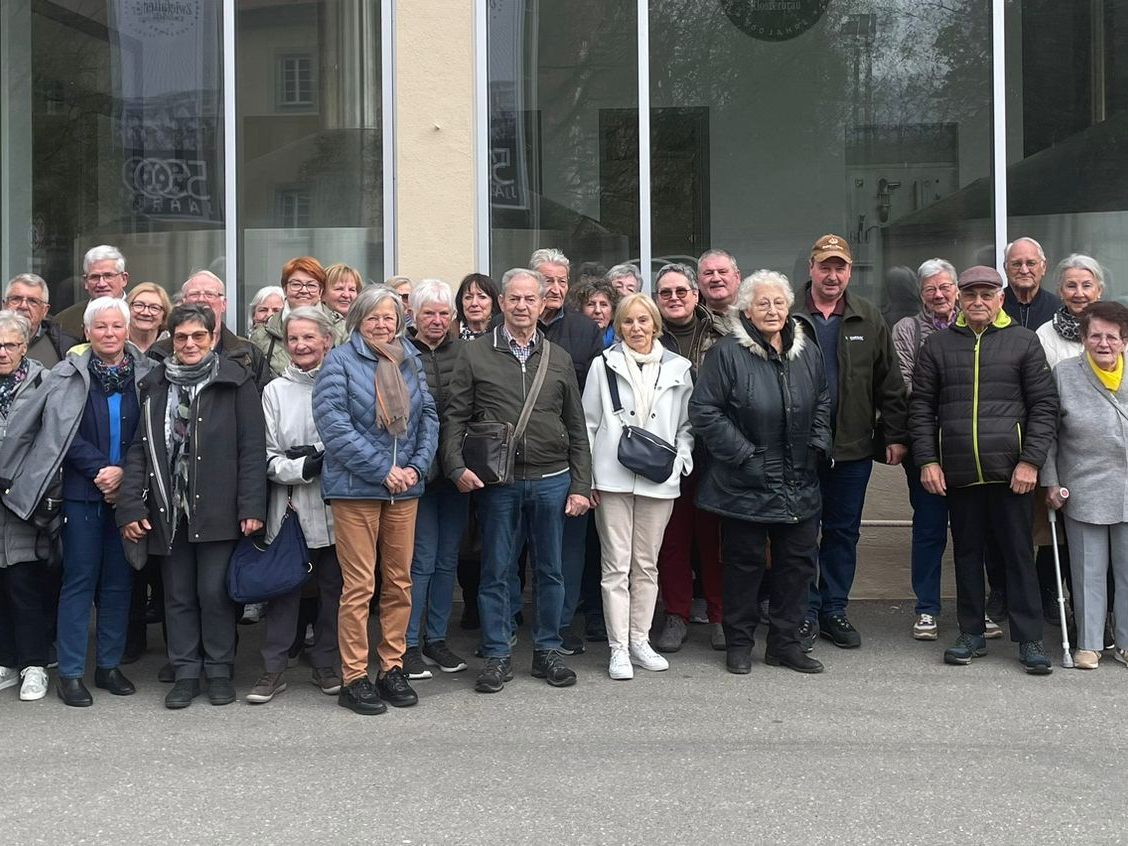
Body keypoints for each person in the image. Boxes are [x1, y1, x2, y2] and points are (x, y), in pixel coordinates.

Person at [442, 268, 592, 694]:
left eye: (530, 299)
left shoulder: (558, 357)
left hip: (552, 479)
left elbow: (576, 425)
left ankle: (548, 651)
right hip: (498, 483)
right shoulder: (475, 354)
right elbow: (454, 416)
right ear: (502, 303)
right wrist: (455, 466)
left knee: (551, 571)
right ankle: (497, 655)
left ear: (543, 305)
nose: (522, 306)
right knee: (496, 570)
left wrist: (581, 485)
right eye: (514, 298)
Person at [1, 298, 154, 706]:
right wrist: (101, 469)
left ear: (126, 330)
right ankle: (70, 673)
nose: (109, 333)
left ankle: (108, 666)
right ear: (87, 332)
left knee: (119, 581)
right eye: (100, 326)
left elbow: (148, 433)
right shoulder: (65, 376)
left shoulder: (147, 374)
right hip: (81, 492)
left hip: (128, 492)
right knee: (79, 581)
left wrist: (122, 473)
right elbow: (58, 434)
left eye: (116, 326)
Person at [117, 304, 267, 709]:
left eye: (198, 336)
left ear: (212, 338)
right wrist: (130, 507)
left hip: (219, 508)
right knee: (178, 595)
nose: (189, 344)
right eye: (181, 337)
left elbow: (253, 449)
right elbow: (139, 450)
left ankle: (218, 670)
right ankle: (185, 672)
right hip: (169, 511)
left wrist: (252, 506)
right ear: (171, 341)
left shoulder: (236, 381)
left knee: (214, 593)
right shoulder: (154, 385)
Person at [909, 265, 1058, 675]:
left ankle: (1029, 639)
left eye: (986, 295)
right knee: (967, 554)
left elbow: (1044, 406)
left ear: (1000, 299)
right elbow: (920, 408)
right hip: (959, 472)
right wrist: (928, 460)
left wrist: (1030, 461)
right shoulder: (938, 345)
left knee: (1018, 555)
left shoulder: (1023, 342)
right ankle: (971, 632)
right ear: (960, 298)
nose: (978, 302)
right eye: (971, 294)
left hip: (1012, 473)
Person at [691, 270, 832, 675]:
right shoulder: (727, 353)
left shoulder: (807, 352)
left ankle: (785, 645)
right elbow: (705, 410)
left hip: (799, 479)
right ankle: (739, 643)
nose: (772, 310)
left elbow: (822, 399)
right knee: (744, 566)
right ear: (747, 310)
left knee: (797, 566)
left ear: (789, 307)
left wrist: (818, 444)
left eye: (778, 302)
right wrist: (745, 456)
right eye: (763, 303)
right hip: (745, 482)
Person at [313, 286, 438, 715]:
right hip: (357, 490)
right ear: (357, 321)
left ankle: (391, 668)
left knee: (399, 582)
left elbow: (428, 418)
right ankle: (353, 677)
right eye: (373, 318)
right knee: (360, 586)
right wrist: (383, 470)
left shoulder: (410, 359)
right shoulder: (338, 362)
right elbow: (335, 428)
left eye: (389, 317)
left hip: (405, 489)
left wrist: (416, 468)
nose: (382, 325)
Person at [797, 234, 908, 651]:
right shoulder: (789, 315)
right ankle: (805, 612)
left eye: (840, 268)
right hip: (800, 449)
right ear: (811, 268)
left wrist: (894, 434)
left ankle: (834, 609)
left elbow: (889, 382)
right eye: (825, 267)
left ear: (849, 272)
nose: (832, 275)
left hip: (852, 448)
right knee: (801, 533)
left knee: (843, 533)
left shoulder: (867, 316)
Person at [582, 293, 693, 679]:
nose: (636, 328)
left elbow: (687, 426)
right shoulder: (603, 365)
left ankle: (640, 640)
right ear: (619, 327)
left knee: (646, 565)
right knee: (615, 566)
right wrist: (588, 477)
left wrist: (681, 461)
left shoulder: (679, 368)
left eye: (643, 320)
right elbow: (588, 423)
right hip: (612, 477)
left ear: (656, 325)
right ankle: (618, 648)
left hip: (659, 479)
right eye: (628, 321)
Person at [247, 306, 343, 703]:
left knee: (333, 590)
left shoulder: (343, 382)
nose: (300, 345)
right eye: (293, 338)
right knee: (284, 590)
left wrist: (324, 454)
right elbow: (266, 456)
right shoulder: (274, 391)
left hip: (337, 507)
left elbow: (353, 438)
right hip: (290, 508)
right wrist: (303, 466)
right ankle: (273, 668)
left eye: (308, 337)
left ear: (327, 340)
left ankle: (326, 661)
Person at [1042, 301, 1128, 669]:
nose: (1104, 343)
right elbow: (1047, 434)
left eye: (1112, 337)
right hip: (1082, 486)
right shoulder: (1064, 374)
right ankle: (1089, 644)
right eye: (1096, 336)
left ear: (1124, 341)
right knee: (1087, 571)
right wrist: (1050, 481)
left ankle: (1125, 643)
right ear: (1083, 337)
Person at [652, 262, 728, 652]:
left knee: (715, 540)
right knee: (673, 539)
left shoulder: (723, 335)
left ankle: (720, 616)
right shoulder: (647, 337)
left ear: (696, 295)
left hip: (715, 450)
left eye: (681, 291)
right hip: (664, 452)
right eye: (665, 292)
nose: (674, 298)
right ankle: (677, 614)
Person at [530, 248, 603, 654]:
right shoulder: (505, 327)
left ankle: (559, 625)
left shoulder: (584, 329)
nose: (555, 288)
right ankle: (512, 623)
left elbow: (592, 403)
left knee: (568, 548)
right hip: (519, 458)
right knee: (516, 548)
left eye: (562, 281)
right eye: (548, 280)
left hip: (569, 453)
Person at [1031, 254, 1105, 624]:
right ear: (1060, 291)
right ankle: (1062, 611)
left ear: (1099, 290)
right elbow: (1042, 396)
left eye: (1086, 285)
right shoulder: (1044, 335)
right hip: (1062, 449)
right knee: (1058, 537)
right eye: (1071, 285)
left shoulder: (1113, 330)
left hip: (1107, 454)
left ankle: (1101, 617)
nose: (1079, 293)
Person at [401, 280, 469, 680]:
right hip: (419, 473)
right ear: (413, 315)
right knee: (422, 561)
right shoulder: (400, 353)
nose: (437, 321)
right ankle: (408, 644)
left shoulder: (465, 354)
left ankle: (436, 639)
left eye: (444, 314)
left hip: (456, 473)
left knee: (447, 560)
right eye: (429, 313)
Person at [891, 258, 959, 640]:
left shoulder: (971, 324)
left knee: (972, 531)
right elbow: (904, 383)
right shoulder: (907, 329)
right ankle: (927, 609)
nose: (939, 294)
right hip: (925, 443)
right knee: (929, 528)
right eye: (931, 288)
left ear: (956, 290)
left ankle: (974, 609)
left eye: (945, 286)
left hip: (969, 445)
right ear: (921, 294)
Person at [0, 311, 51, 701]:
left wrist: (23, 483)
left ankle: (35, 665)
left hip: (24, 499)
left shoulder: (44, 383)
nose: (2, 352)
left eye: (10, 345)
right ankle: (6, 660)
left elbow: (52, 441)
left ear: (24, 346)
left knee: (25, 584)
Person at [149, 271, 267, 388]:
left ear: (224, 304)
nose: (201, 299)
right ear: (183, 302)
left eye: (210, 294)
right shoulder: (158, 352)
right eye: (194, 294)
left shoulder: (249, 354)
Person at [250, 257, 347, 379]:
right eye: (296, 284)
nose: (304, 290)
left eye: (311, 285)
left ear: (321, 291)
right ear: (285, 289)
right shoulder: (261, 336)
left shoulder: (342, 330)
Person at [55, 245, 130, 339]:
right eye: (94, 277)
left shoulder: (141, 315)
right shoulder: (64, 321)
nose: (101, 284)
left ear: (124, 279)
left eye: (108, 276)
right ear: (86, 282)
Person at [4, 274, 78, 367]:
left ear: (44, 311)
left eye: (32, 301)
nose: (23, 306)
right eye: (16, 299)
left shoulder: (65, 346)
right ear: (4, 305)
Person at [1002, 237, 1060, 330]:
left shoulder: (1058, 309)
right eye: (1016, 264)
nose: (1024, 271)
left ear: (1043, 267)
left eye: (1031, 263)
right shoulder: (994, 306)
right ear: (1005, 268)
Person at [572, 278, 620, 348]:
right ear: (580, 309)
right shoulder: (570, 340)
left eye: (603, 305)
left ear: (613, 311)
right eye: (591, 304)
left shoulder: (623, 342)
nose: (598, 311)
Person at [126, 283, 172, 353]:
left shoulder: (173, 346)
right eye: (139, 305)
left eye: (154, 308)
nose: (145, 313)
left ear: (164, 316)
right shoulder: (115, 343)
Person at [455, 272, 500, 340]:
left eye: (482, 297)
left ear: (493, 302)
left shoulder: (504, 334)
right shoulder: (448, 334)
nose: (474, 303)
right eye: (468, 297)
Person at [697, 248, 740, 317]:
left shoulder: (755, 313)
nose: (716, 279)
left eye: (722, 272)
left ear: (737, 277)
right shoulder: (689, 317)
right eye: (708, 273)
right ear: (698, 281)